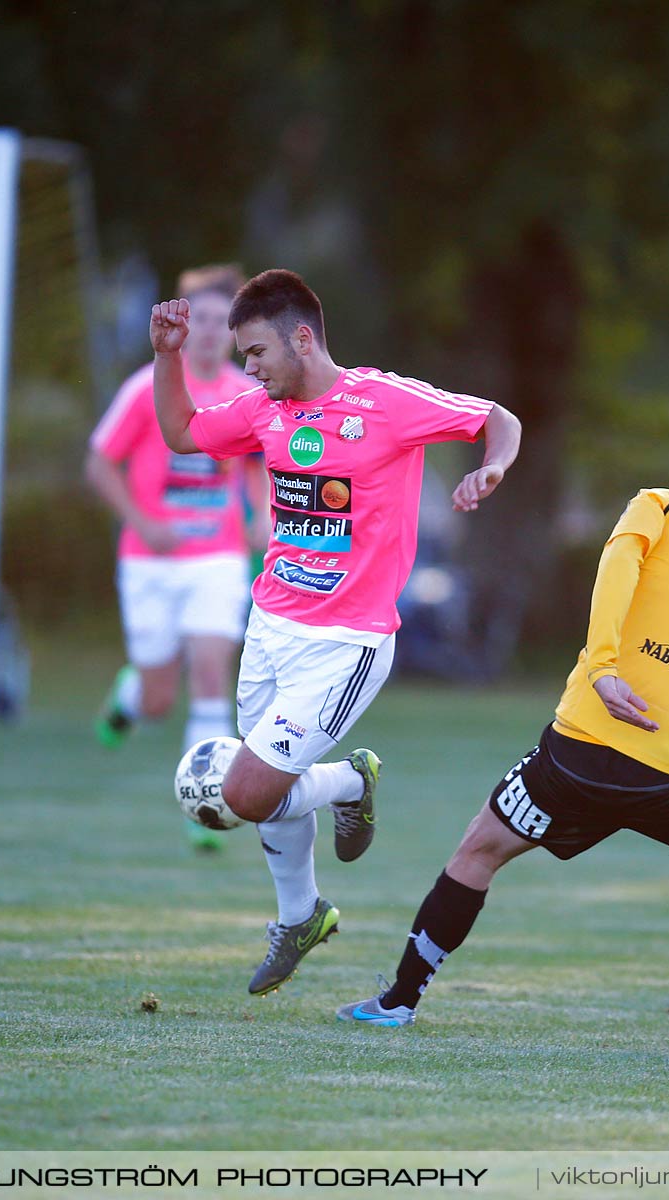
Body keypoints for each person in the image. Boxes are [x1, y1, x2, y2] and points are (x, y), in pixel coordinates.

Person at [336, 413, 669, 1063]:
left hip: (579, 753)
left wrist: (606, 667)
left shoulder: (664, 506)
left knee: (478, 850)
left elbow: (618, 568)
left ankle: (398, 1002)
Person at [150, 268, 521, 995]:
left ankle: (352, 779)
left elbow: (496, 419)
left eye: (256, 353)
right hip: (269, 625)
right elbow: (183, 432)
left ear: (301, 338)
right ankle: (301, 913)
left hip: (347, 643)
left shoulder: (384, 401)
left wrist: (493, 468)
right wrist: (167, 355)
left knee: (251, 793)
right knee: (262, 787)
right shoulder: (264, 411)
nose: (247, 369)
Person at [89, 266, 267, 803]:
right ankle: (130, 697)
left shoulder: (246, 394)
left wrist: (263, 514)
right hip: (149, 558)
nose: (212, 330)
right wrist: (142, 522)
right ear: (184, 325)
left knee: (211, 673)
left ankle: (209, 804)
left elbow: (262, 462)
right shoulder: (146, 389)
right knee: (159, 698)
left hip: (217, 556)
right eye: (202, 319)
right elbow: (100, 462)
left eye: (223, 320)